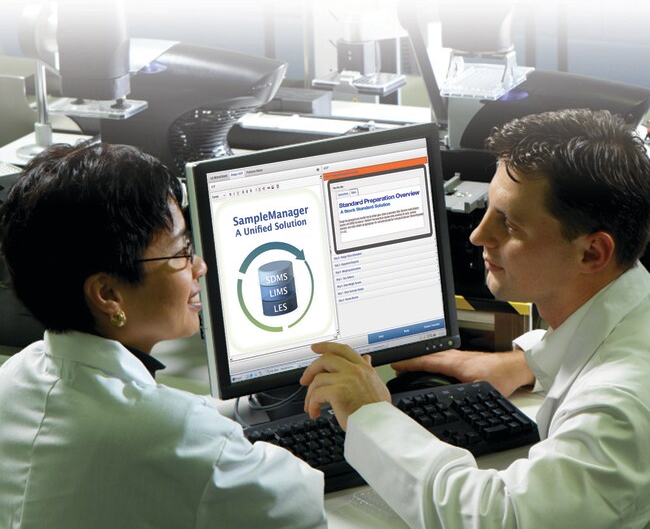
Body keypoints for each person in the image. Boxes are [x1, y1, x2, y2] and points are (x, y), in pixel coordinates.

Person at [301, 108, 650, 528]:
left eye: (509, 224)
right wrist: (524, 364)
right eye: (487, 209)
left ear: (592, 253)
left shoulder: (619, 407)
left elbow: (500, 518)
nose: (478, 235)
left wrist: (368, 414)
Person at [0, 143, 326, 528]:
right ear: (108, 294)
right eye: (181, 252)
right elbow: (301, 508)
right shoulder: (176, 435)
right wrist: (367, 413)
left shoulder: (14, 377)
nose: (199, 266)